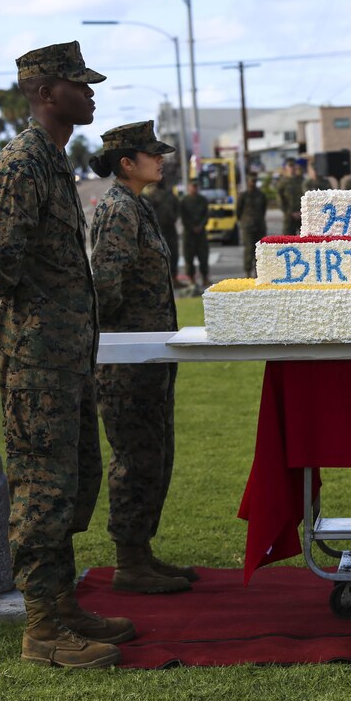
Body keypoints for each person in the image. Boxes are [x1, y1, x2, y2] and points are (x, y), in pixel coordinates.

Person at [0, 40, 129, 668]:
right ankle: (42, 629)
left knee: (70, 483)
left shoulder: (52, 159)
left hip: (63, 356)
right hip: (38, 357)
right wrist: (8, 288)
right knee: (41, 488)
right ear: (45, 92)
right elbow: (1, 257)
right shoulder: (24, 162)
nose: (90, 94)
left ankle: (61, 604)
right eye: (79, 85)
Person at [87, 121, 194, 596]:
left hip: (148, 352)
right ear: (126, 163)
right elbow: (106, 288)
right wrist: (126, 337)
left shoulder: (135, 205)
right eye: (153, 154)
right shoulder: (118, 210)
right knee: (136, 457)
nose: (161, 159)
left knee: (155, 453)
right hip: (127, 357)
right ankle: (128, 562)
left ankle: (142, 553)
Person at [143, 179, 181, 283]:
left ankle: (174, 278)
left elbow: (177, 207)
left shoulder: (169, 195)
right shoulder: (148, 195)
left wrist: (173, 217)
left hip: (169, 228)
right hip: (156, 229)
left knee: (173, 253)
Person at [179, 180, 210, 290]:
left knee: (203, 257)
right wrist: (192, 227)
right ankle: (191, 279)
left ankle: (205, 277)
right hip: (189, 234)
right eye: (192, 186)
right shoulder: (184, 201)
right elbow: (183, 217)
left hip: (201, 234)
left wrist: (200, 226)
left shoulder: (202, 200)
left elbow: (206, 215)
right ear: (188, 187)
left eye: (196, 186)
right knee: (189, 257)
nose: (194, 188)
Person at [237, 174, 268, 277]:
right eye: (251, 181)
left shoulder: (261, 195)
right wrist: (244, 221)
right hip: (247, 227)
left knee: (259, 249)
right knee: (249, 249)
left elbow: (263, 209)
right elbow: (238, 211)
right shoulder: (243, 195)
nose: (253, 183)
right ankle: (247, 272)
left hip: (259, 225)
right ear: (248, 182)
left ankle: (258, 272)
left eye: (254, 181)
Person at [276, 160, 303, 234]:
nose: (292, 168)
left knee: (306, 241)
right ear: (286, 168)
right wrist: (290, 213)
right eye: (290, 166)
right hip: (289, 217)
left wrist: (301, 212)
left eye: (293, 166)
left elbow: (306, 196)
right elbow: (280, 200)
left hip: (302, 215)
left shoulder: (301, 180)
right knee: (288, 241)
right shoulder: (282, 182)